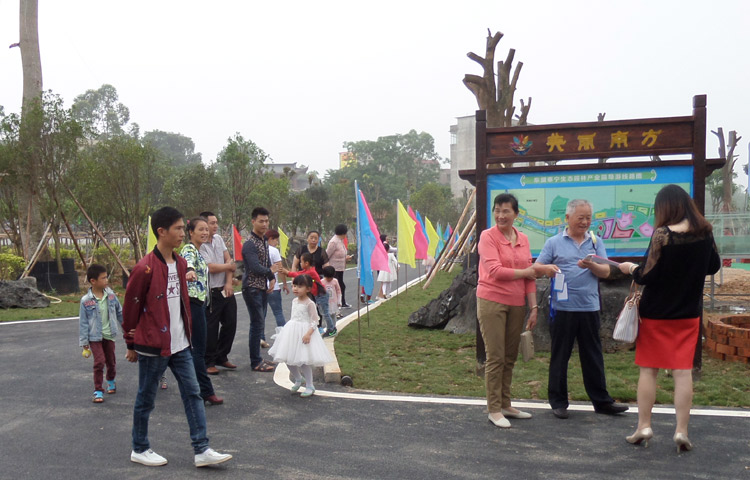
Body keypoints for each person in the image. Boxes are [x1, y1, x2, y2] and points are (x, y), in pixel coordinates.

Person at [123, 206, 232, 468]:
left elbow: (182, 301)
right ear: (162, 231)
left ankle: (202, 449)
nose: (183, 232)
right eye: (179, 228)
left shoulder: (181, 263)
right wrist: (131, 345)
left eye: (184, 228)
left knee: (193, 393)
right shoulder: (145, 268)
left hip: (181, 343)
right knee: (146, 398)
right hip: (154, 345)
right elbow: (130, 308)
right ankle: (140, 448)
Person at [618, 185, 720, 452]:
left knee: (648, 369)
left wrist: (630, 268)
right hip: (688, 313)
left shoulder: (663, 235)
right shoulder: (705, 232)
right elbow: (714, 266)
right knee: (682, 371)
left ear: (665, 208)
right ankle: (681, 431)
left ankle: (644, 426)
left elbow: (647, 275)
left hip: (656, 314)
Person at [535, 199, 629, 420]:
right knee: (560, 355)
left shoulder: (595, 242)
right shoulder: (554, 243)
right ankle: (558, 402)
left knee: (593, 355)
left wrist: (592, 265)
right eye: (581, 217)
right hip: (562, 308)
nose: (585, 222)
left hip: (589, 307)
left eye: (588, 217)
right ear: (567, 218)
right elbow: (537, 268)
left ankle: (602, 401)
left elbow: (605, 272)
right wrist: (548, 269)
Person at [477, 193, 558, 428]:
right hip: (491, 301)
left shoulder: (522, 239)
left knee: (510, 357)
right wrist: (533, 270)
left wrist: (533, 307)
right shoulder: (487, 237)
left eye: (506, 211)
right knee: (495, 357)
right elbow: (495, 271)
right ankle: (493, 409)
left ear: (516, 214)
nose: (500, 215)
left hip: (517, 304)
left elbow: (529, 279)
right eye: (497, 210)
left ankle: (505, 404)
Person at [181, 217, 223, 405]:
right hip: (192, 302)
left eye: (207, 229)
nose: (205, 232)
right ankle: (206, 391)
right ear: (191, 232)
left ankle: (196, 389)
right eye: (201, 229)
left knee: (192, 349)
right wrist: (189, 270)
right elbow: (187, 262)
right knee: (198, 349)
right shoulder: (189, 249)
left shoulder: (199, 251)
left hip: (199, 302)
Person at [268, 275, 333, 397]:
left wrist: (308, 334)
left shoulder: (310, 303)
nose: (296, 289)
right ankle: (298, 378)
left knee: (304, 361)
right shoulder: (294, 301)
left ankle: (309, 385)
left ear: (308, 289)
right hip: (291, 332)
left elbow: (315, 321)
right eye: (294, 286)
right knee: (286, 358)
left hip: (304, 333)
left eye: (299, 286)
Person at [241, 207, 280, 372]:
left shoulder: (263, 240)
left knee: (259, 323)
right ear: (253, 221)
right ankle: (255, 361)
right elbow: (255, 267)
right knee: (256, 324)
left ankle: (258, 359)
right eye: (261, 221)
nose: (264, 224)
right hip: (251, 287)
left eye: (266, 221)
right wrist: (271, 272)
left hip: (261, 287)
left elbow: (264, 265)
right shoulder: (249, 243)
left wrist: (271, 278)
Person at [199, 211, 238, 376]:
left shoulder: (219, 239)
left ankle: (222, 356)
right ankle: (209, 361)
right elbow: (211, 267)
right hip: (212, 292)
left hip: (225, 288)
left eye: (216, 223)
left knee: (230, 323)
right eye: (211, 223)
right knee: (211, 328)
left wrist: (228, 283)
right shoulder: (199, 245)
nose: (215, 226)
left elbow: (229, 261)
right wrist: (228, 266)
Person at [79, 263, 123, 404]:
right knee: (99, 362)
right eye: (103, 278)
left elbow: (119, 312)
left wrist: (127, 329)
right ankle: (98, 389)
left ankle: (111, 380)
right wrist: (84, 342)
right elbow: (83, 322)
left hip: (109, 334)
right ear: (93, 281)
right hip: (94, 336)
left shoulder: (111, 296)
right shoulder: (86, 301)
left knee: (111, 360)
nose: (106, 280)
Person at [292, 230, 335, 335]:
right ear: (307, 238)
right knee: (304, 303)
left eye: (316, 238)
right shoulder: (301, 249)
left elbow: (326, 266)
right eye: (311, 237)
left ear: (318, 239)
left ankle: (318, 325)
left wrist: (326, 279)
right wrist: (294, 280)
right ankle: (306, 325)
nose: (313, 240)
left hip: (316, 281)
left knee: (316, 304)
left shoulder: (321, 251)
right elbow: (295, 264)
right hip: (302, 281)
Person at [282, 253, 334, 336]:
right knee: (322, 311)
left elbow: (299, 275)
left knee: (324, 313)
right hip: (318, 295)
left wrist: (288, 273)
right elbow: (300, 272)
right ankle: (329, 328)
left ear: (306, 263)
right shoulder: (308, 270)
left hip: (322, 295)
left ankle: (331, 329)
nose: (300, 264)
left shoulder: (311, 272)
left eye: (301, 262)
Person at [265, 229, 287, 337]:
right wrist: (285, 284)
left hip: (260, 287)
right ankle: (283, 335)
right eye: (276, 240)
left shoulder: (258, 249)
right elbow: (280, 269)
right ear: (270, 239)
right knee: (278, 312)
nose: (277, 243)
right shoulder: (274, 251)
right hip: (274, 287)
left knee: (261, 315)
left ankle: (260, 337)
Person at [326, 224, 353, 308]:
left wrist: (346, 257)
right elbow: (327, 255)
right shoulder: (333, 242)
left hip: (340, 268)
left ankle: (341, 302)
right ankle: (336, 303)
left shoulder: (340, 241)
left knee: (341, 286)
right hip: (334, 269)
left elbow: (341, 253)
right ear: (343, 233)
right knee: (337, 286)